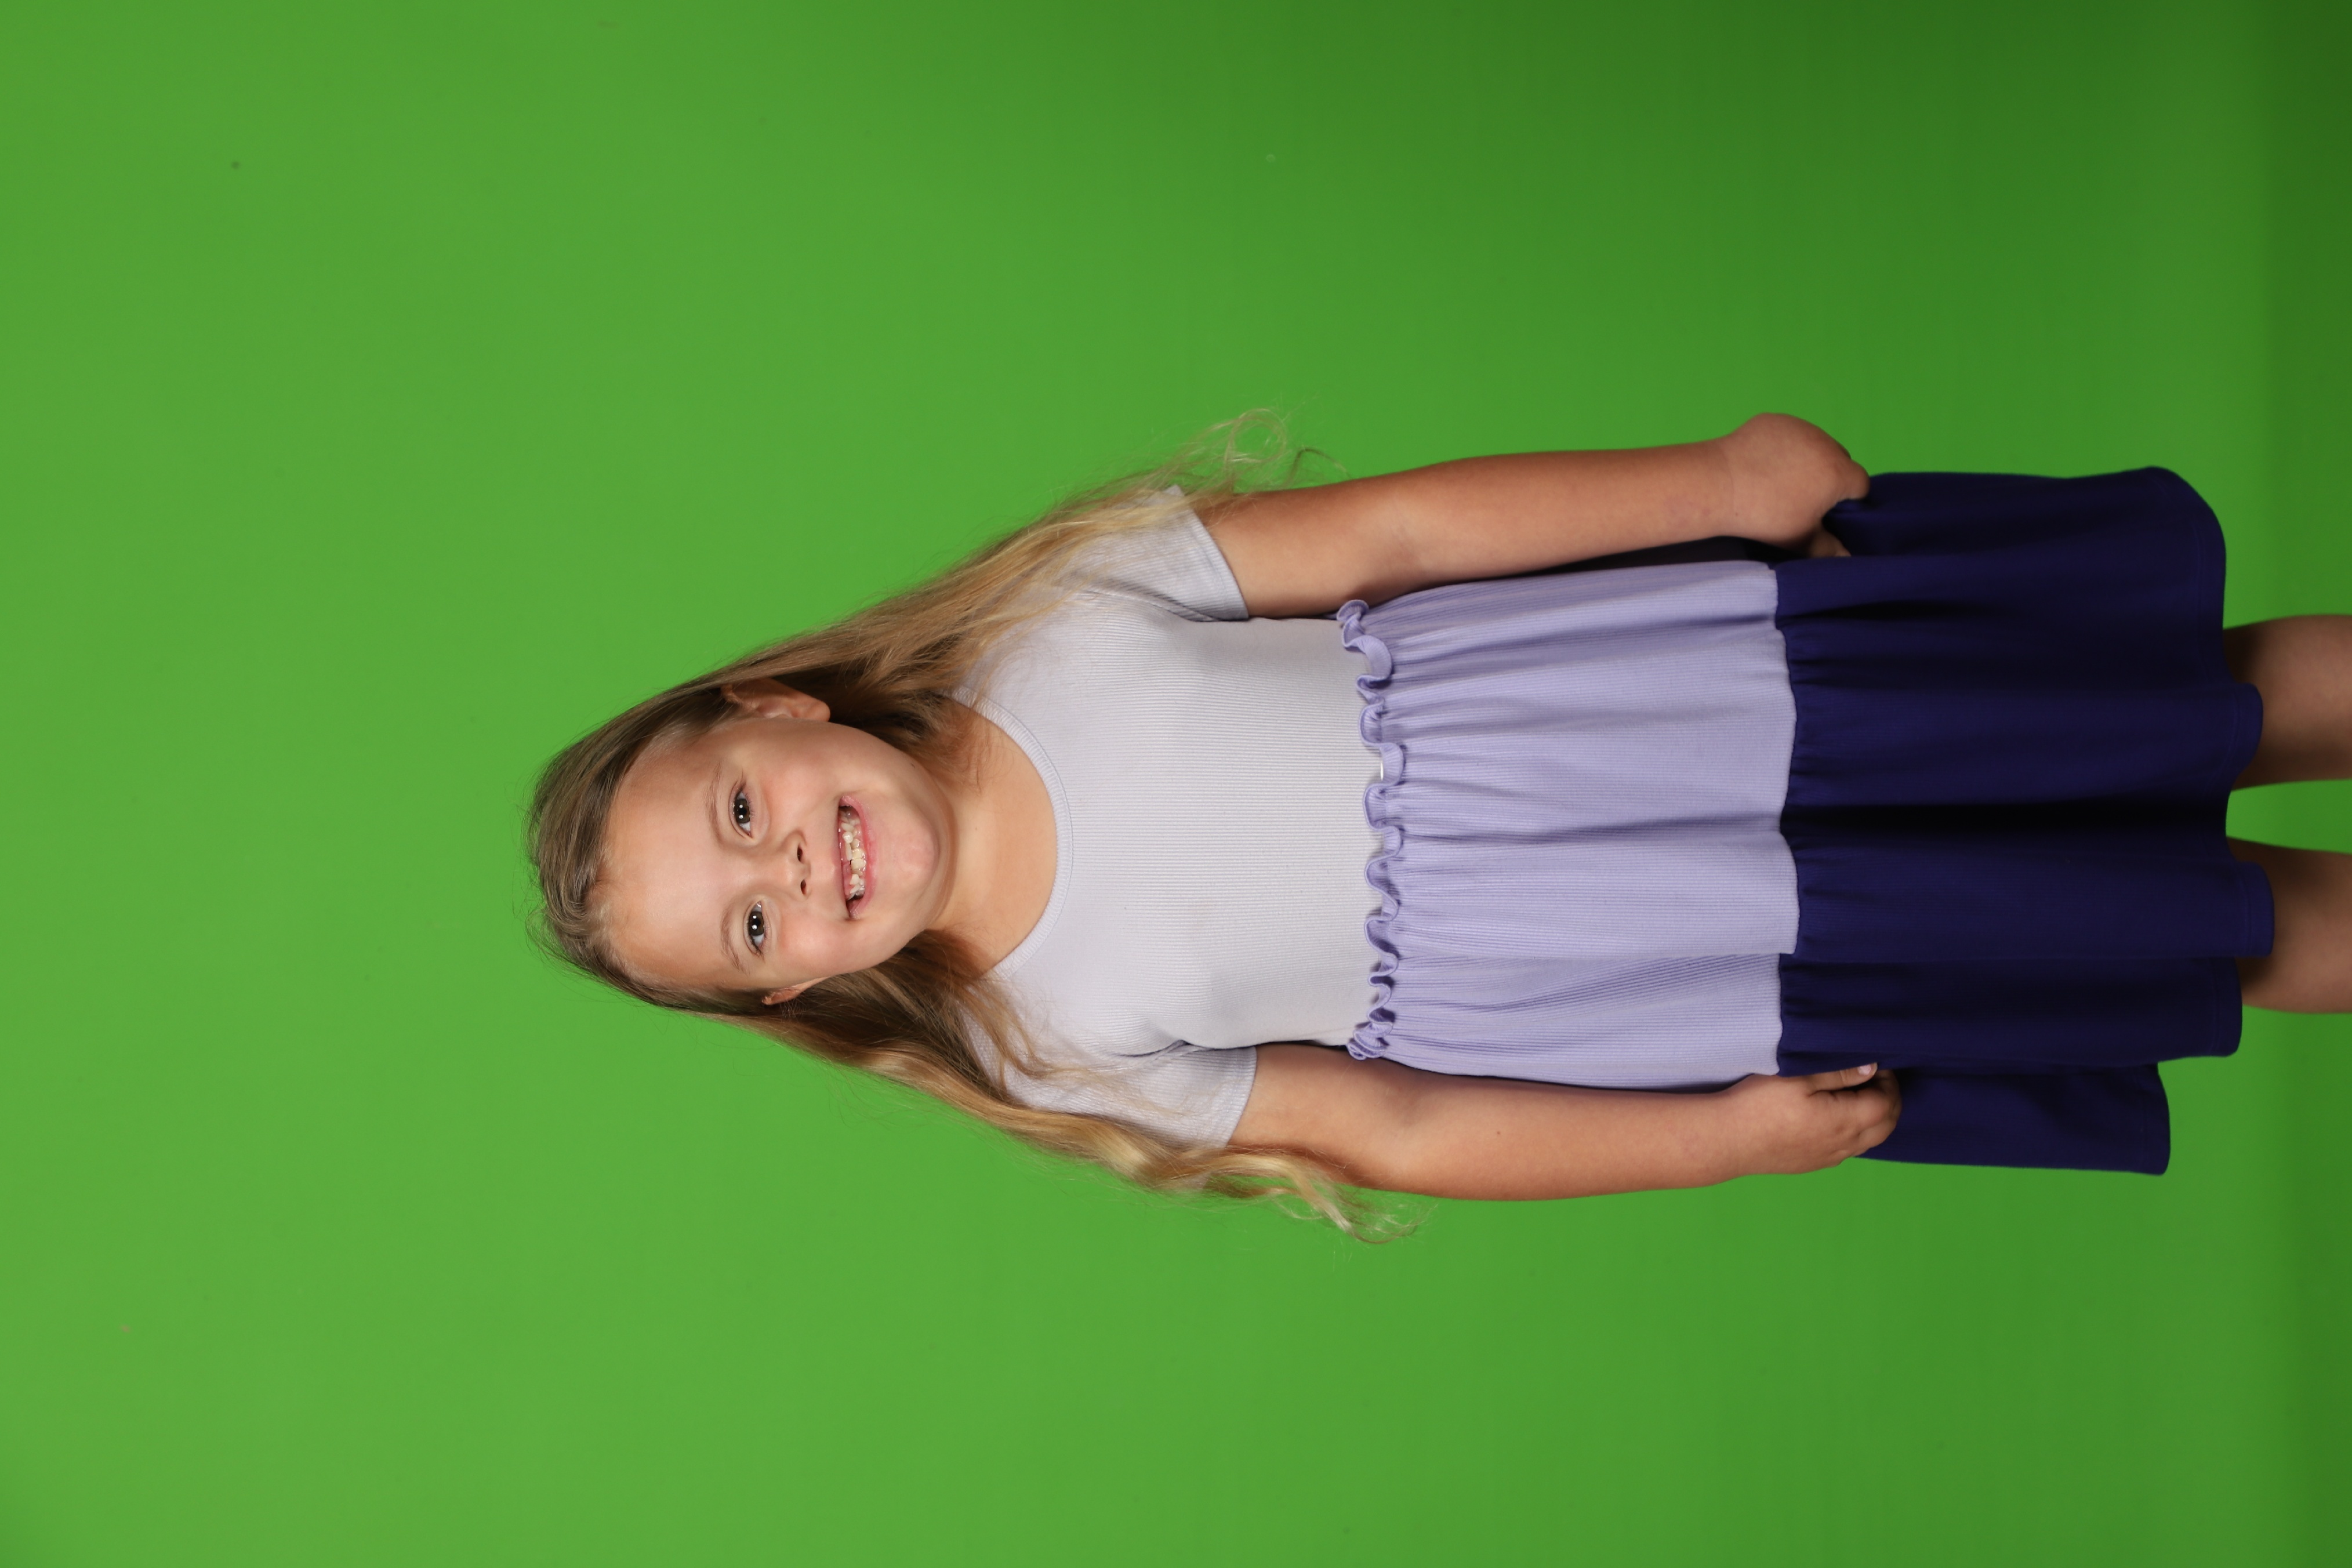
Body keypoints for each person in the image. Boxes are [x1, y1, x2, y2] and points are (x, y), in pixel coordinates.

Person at [529, 413, 2352, 1232]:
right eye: (754, 925)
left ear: (776, 706)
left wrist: (1707, 482)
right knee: (2207, 928)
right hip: (1683, 953)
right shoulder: (1046, 1047)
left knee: (2188, 695)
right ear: (791, 992)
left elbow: (1397, 534)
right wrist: (1713, 1142)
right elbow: (1397, 1123)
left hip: (1686, 696)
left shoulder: (1051, 623)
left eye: (744, 810)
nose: (795, 870)